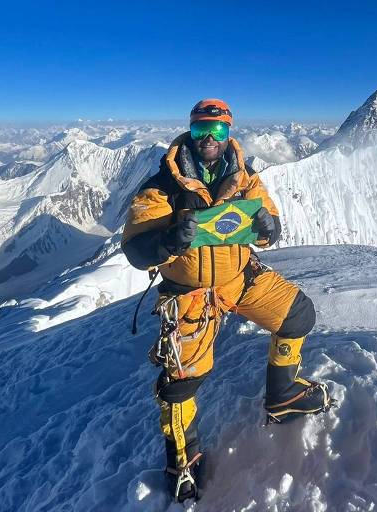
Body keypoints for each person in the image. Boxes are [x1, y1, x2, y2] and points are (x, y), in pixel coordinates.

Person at [122, 99, 333, 502]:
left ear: (229, 133)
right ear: (190, 131)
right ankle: (182, 462)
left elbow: (268, 225)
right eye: (202, 130)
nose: (209, 139)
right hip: (191, 294)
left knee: (297, 314)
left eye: (218, 131)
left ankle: (283, 395)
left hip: (240, 278)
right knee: (182, 381)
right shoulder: (162, 186)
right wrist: (166, 241)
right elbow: (134, 248)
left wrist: (269, 228)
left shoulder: (244, 176)